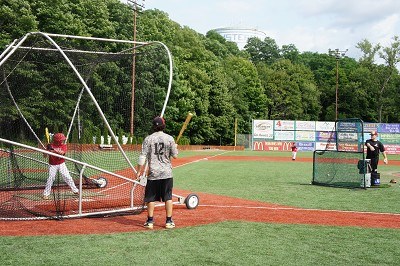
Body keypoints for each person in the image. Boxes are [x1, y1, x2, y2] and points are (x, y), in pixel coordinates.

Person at [137, 117, 178, 229]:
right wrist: (175, 148)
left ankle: (150, 221)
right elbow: (175, 155)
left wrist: (138, 172)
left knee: (150, 198)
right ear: (163, 125)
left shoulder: (148, 139)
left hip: (153, 173)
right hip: (167, 173)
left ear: (153, 126)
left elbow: (142, 157)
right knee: (168, 197)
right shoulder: (169, 138)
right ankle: (169, 221)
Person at [43, 133, 79, 199]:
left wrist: (53, 149)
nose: (62, 141)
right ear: (57, 140)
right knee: (51, 178)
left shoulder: (64, 146)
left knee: (67, 177)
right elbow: (44, 156)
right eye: (61, 140)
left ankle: (75, 190)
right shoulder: (50, 146)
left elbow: (62, 153)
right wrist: (46, 150)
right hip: (52, 165)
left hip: (61, 164)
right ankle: (46, 194)